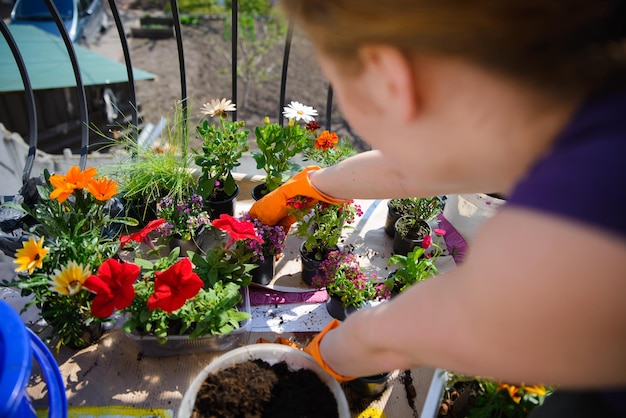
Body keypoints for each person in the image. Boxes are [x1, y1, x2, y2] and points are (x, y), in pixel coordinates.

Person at [249, 0, 626, 415]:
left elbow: (444, 322)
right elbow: (413, 170)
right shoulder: (578, 100)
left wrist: (329, 355)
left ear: (387, 77)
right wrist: (316, 186)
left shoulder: (581, 222)